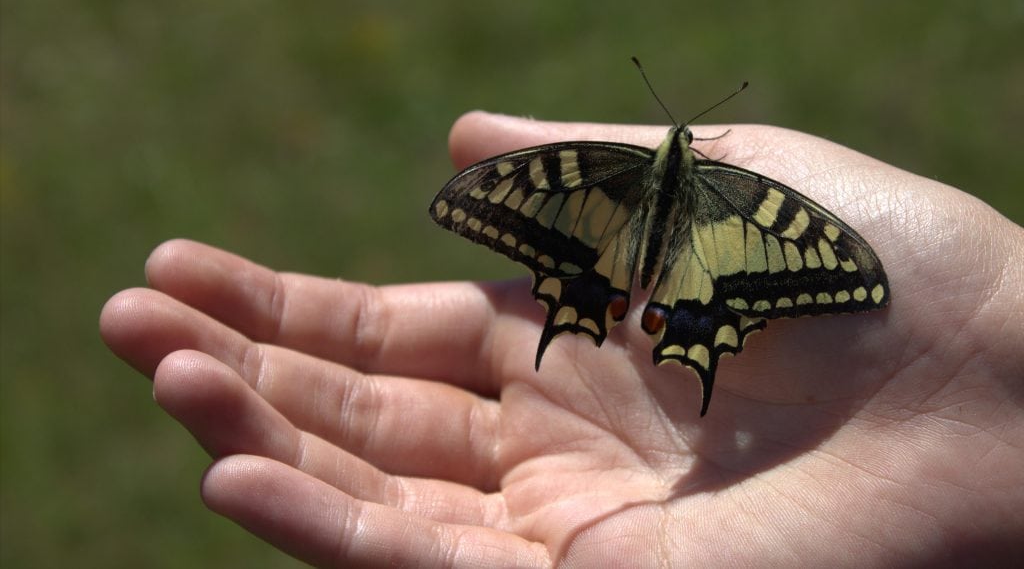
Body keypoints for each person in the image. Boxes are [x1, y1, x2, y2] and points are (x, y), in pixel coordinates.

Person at [100, 111, 1024, 566]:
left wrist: (989, 326)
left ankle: (638, 307)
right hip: (694, 278)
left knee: (605, 283)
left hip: (609, 267)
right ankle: (677, 320)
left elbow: (840, 262)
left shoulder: (585, 174)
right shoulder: (748, 201)